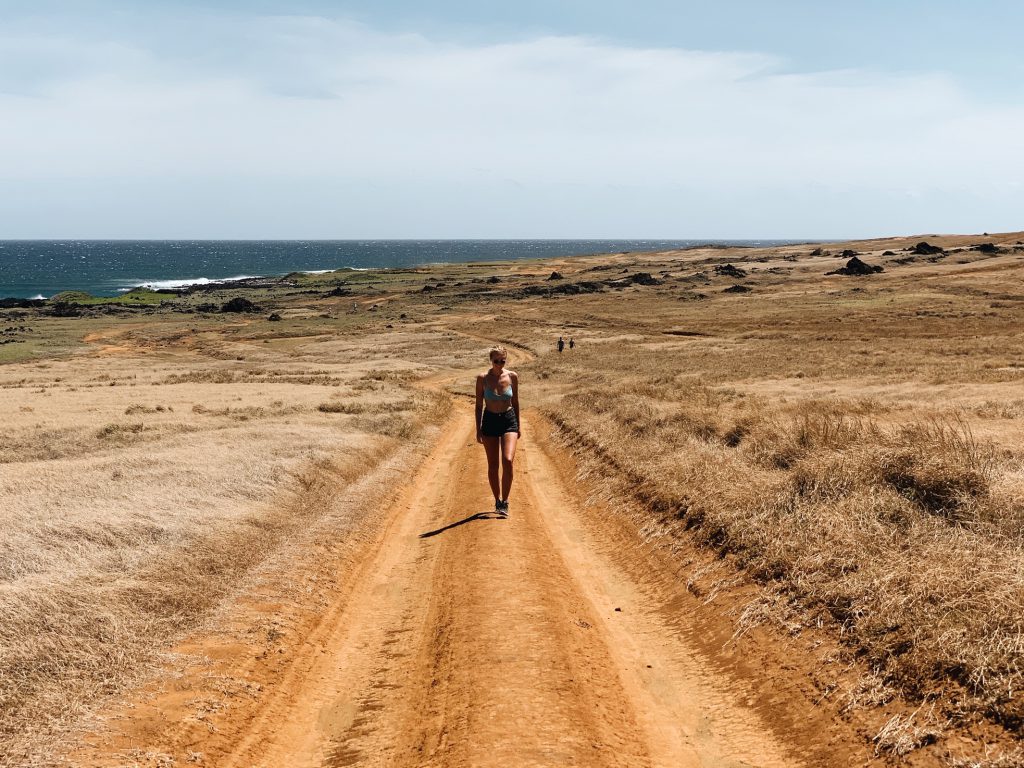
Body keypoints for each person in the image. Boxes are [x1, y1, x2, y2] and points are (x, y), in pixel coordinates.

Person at [475, 347, 520, 516]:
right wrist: (478, 429)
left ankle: (505, 502)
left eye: (503, 361)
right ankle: (497, 500)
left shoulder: (512, 376)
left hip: (509, 419)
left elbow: (515, 402)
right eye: (496, 361)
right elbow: (479, 405)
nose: (500, 364)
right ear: (491, 360)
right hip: (490, 421)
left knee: (507, 460)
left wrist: (519, 425)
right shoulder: (483, 379)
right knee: (493, 465)